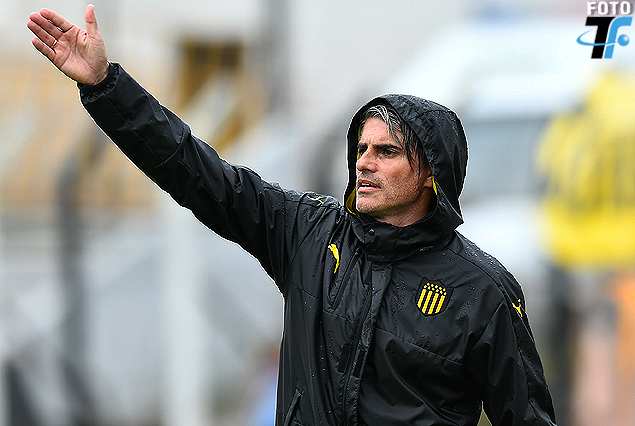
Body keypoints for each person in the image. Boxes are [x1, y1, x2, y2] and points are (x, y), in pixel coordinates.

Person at [28, 5, 558, 426]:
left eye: (386, 152)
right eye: (361, 148)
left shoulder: (483, 290)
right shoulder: (309, 232)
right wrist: (106, 87)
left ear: (430, 176)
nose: (364, 162)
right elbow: (195, 170)